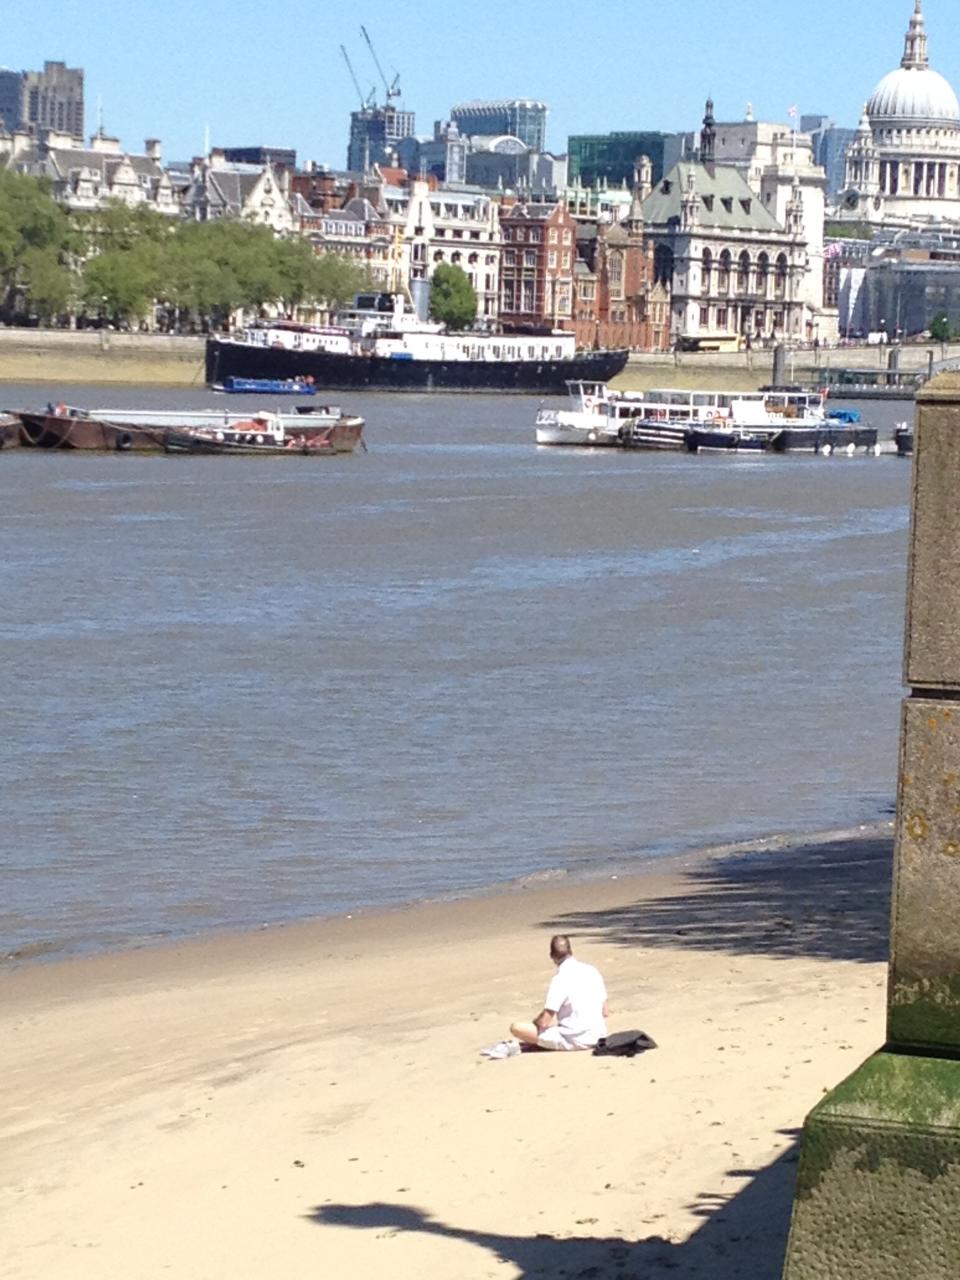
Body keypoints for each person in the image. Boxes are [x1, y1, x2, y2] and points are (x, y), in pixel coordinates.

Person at [510, 934, 609, 1051]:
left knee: (516, 1028)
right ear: (571, 951)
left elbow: (545, 1022)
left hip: (575, 1039)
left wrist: (535, 1022)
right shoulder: (592, 970)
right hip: (599, 1035)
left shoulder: (560, 979)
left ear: (552, 956)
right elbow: (605, 1011)